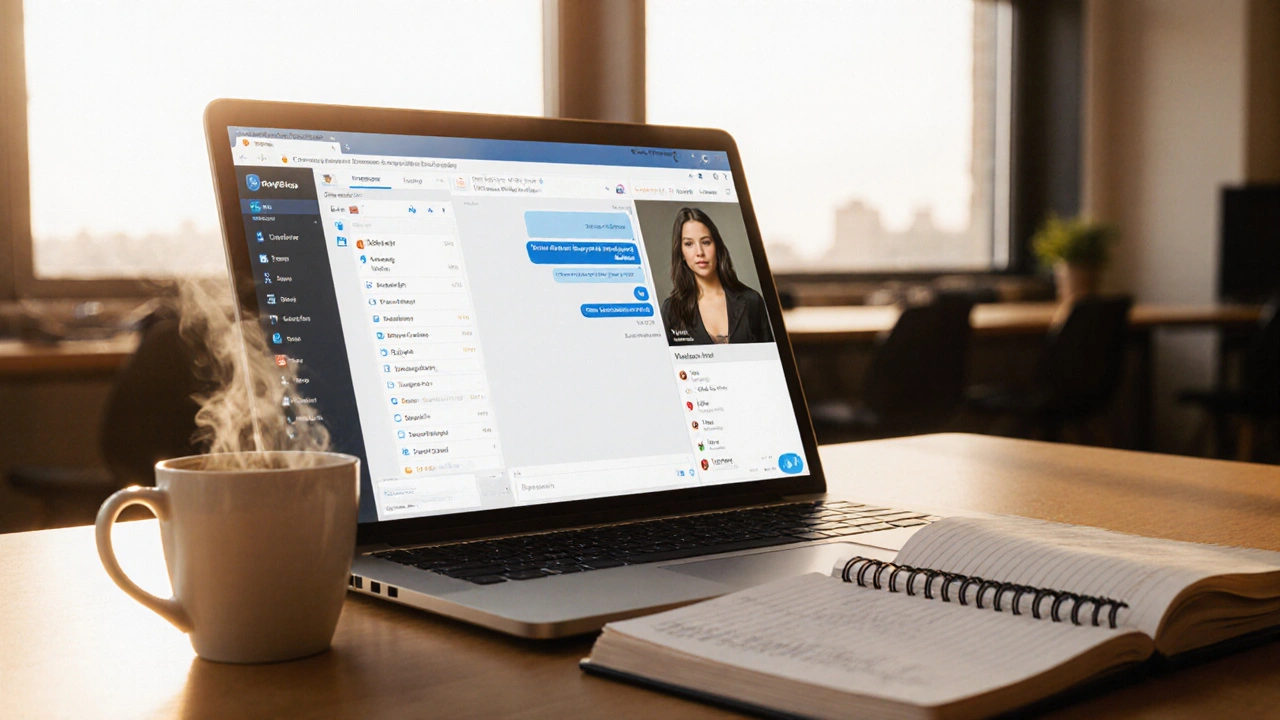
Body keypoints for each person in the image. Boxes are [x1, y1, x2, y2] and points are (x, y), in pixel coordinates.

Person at [660, 207, 773, 346]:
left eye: (706, 242)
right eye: (689, 244)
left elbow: (769, 363)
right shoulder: (672, 310)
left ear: (717, 246)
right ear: (681, 253)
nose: (699, 252)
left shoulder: (752, 301)